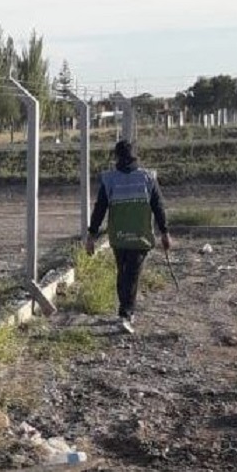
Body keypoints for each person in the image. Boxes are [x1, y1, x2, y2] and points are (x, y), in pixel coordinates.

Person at [84, 140, 171, 334]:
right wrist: (165, 233)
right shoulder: (148, 178)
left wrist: (92, 235)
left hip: (120, 237)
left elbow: (100, 209)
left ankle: (125, 312)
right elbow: (159, 207)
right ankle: (126, 313)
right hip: (139, 237)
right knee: (130, 274)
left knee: (125, 274)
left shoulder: (111, 179)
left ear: (116, 157)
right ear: (135, 158)